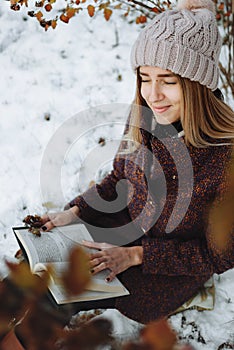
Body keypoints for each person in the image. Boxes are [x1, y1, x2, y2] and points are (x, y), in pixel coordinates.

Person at [39, 0, 234, 325]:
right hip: (125, 226)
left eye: (168, 81)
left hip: (161, 267)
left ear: (197, 84)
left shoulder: (225, 156)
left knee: (60, 296)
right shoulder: (148, 116)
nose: (152, 94)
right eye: (145, 78)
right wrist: (74, 212)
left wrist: (134, 256)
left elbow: (218, 254)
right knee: (35, 276)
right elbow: (119, 176)